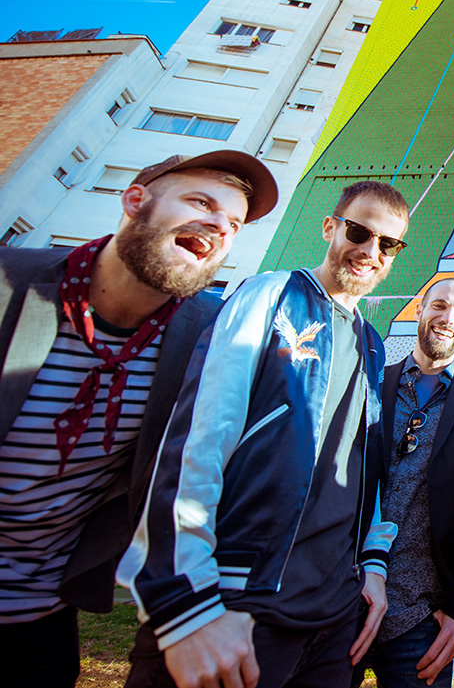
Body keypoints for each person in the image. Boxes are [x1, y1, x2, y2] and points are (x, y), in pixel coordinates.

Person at [0, 149, 276, 688]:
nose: (220, 225)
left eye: (235, 222)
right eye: (201, 202)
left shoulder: (205, 337)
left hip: (40, 618)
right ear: (134, 201)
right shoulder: (12, 282)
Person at [118, 180, 409, 688]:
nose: (371, 251)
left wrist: (373, 566)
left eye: (388, 244)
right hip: (238, 599)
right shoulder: (271, 295)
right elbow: (199, 437)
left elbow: (364, 464)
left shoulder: (371, 342)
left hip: (333, 614)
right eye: (359, 232)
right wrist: (187, 598)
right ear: (330, 227)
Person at [355, 277, 454, 688]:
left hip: (422, 621)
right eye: (439, 306)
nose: (448, 318)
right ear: (420, 309)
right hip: (344, 602)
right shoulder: (370, 382)